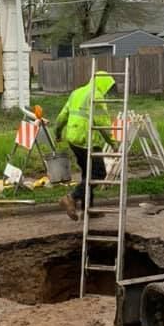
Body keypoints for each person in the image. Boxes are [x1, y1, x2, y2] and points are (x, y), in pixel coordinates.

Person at [54, 71, 117, 221]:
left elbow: (63, 115)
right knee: (98, 174)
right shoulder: (96, 96)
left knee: (87, 174)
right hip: (88, 140)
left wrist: (57, 133)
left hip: (73, 139)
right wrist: (113, 143)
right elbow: (103, 124)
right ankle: (71, 197)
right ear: (104, 84)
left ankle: (89, 209)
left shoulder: (77, 92)